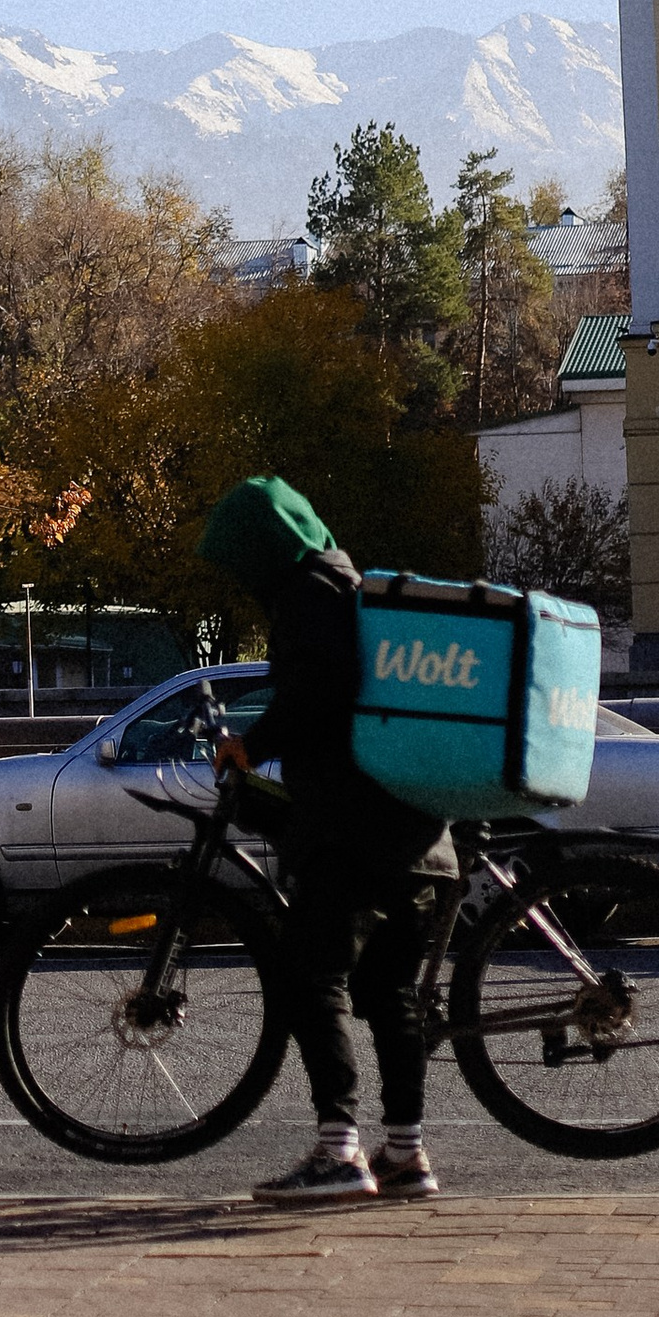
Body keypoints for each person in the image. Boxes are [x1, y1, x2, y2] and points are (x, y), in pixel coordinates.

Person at [197, 472, 453, 1207]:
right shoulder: (352, 587)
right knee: (390, 990)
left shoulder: (309, 595)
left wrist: (251, 744)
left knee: (315, 977)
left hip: (356, 831)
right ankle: (405, 1154)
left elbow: (318, 697)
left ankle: (339, 1152)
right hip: (416, 828)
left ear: (260, 549)